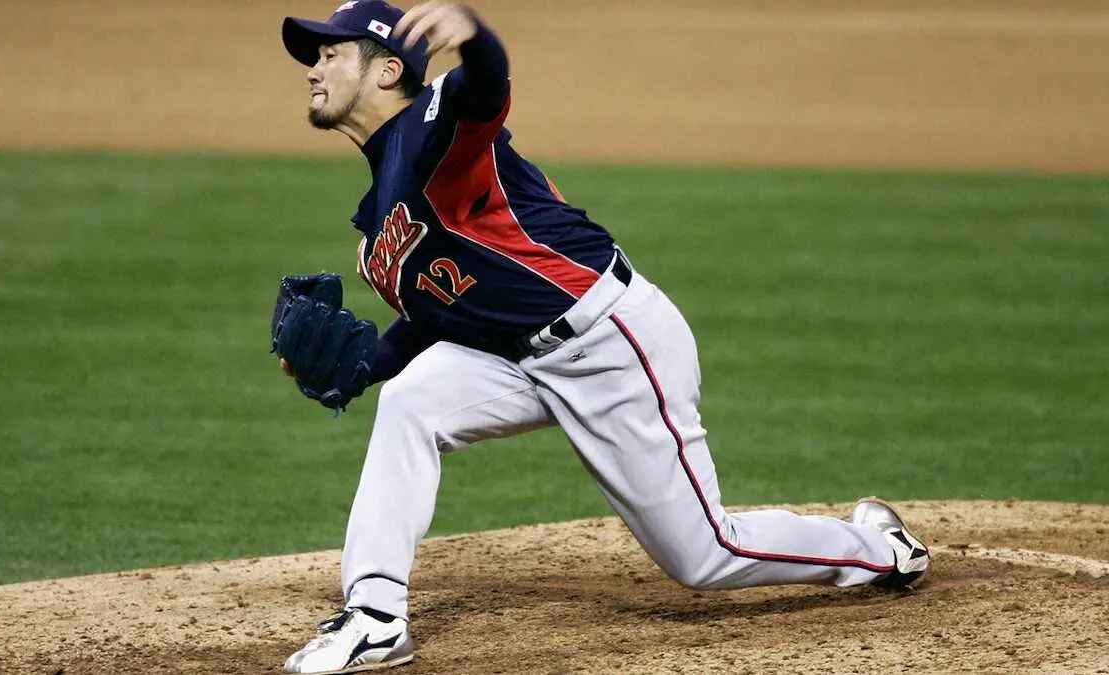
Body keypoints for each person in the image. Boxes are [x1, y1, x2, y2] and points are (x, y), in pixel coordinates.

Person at [274, 2, 930, 673]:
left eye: (331, 53)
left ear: (388, 70)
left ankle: (878, 549)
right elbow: (437, 317)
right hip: (515, 359)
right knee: (410, 400)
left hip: (611, 342)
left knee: (706, 555)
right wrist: (363, 367)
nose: (313, 68)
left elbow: (486, 89)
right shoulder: (379, 218)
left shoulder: (435, 125)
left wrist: (475, 37)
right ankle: (377, 615)